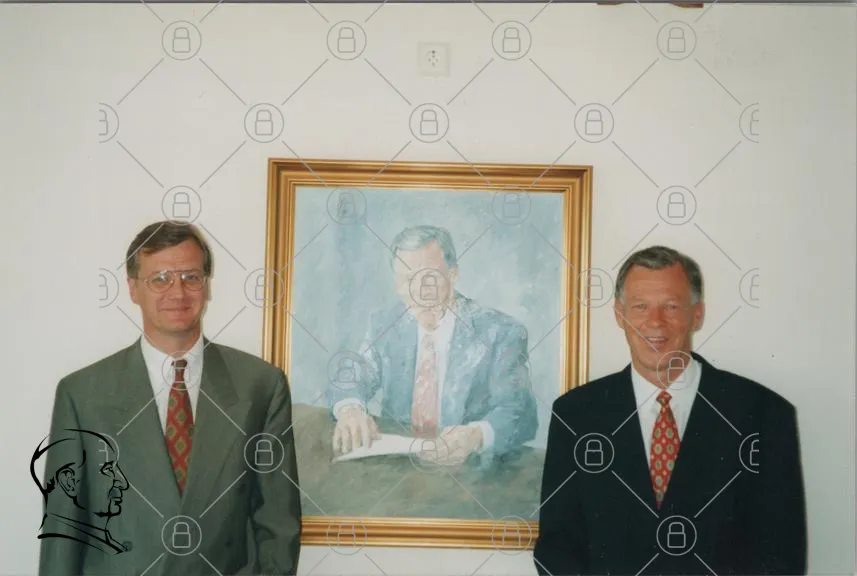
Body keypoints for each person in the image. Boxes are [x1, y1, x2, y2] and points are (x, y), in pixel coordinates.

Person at [37, 221, 301, 576]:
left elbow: (278, 526)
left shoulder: (260, 387)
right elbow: (64, 531)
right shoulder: (82, 395)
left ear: (207, 285)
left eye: (191, 277)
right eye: (159, 279)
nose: (177, 292)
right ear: (133, 288)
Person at [533, 245, 806, 575]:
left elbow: (780, 555)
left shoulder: (764, 415)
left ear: (697, 314)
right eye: (641, 306)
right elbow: (557, 548)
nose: (655, 322)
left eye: (671, 306)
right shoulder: (575, 415)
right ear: (619, 314)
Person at [329, 225, 538, 465]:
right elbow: (352, 377)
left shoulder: (499, 332)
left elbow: (520, 413)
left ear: (453, 274)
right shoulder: (385, 324)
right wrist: (350, 409)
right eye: (407, 279)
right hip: (397, 465)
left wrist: (476, 435)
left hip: (466, 468)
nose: (418, 291)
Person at [31, 429, 129, 554]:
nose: (123, 483)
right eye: (108, 469)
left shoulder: (107, 544)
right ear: (69, 482)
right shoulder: (68, 549)